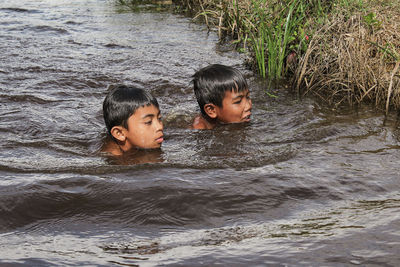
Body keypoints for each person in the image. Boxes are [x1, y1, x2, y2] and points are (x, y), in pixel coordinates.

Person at [102, 85, 164, 156]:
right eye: (148, 122)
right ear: (120, 133)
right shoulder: (114, 159)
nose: (160, 127)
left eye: (159, 118)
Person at [191, 64, 252, 130]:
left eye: (248, 97)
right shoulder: (199, 130)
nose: (249, 106)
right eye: (238, 101)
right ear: (211, 110)